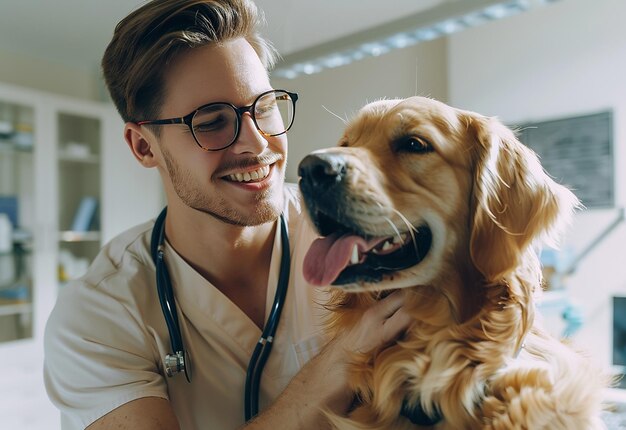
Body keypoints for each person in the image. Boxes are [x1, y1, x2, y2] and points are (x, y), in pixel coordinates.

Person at [43, 1, 413, 429]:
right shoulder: (99, 315)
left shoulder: (372, 237)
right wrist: (338, 363)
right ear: (144, 147)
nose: (257, 144)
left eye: (265, 107)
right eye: (213, 121)